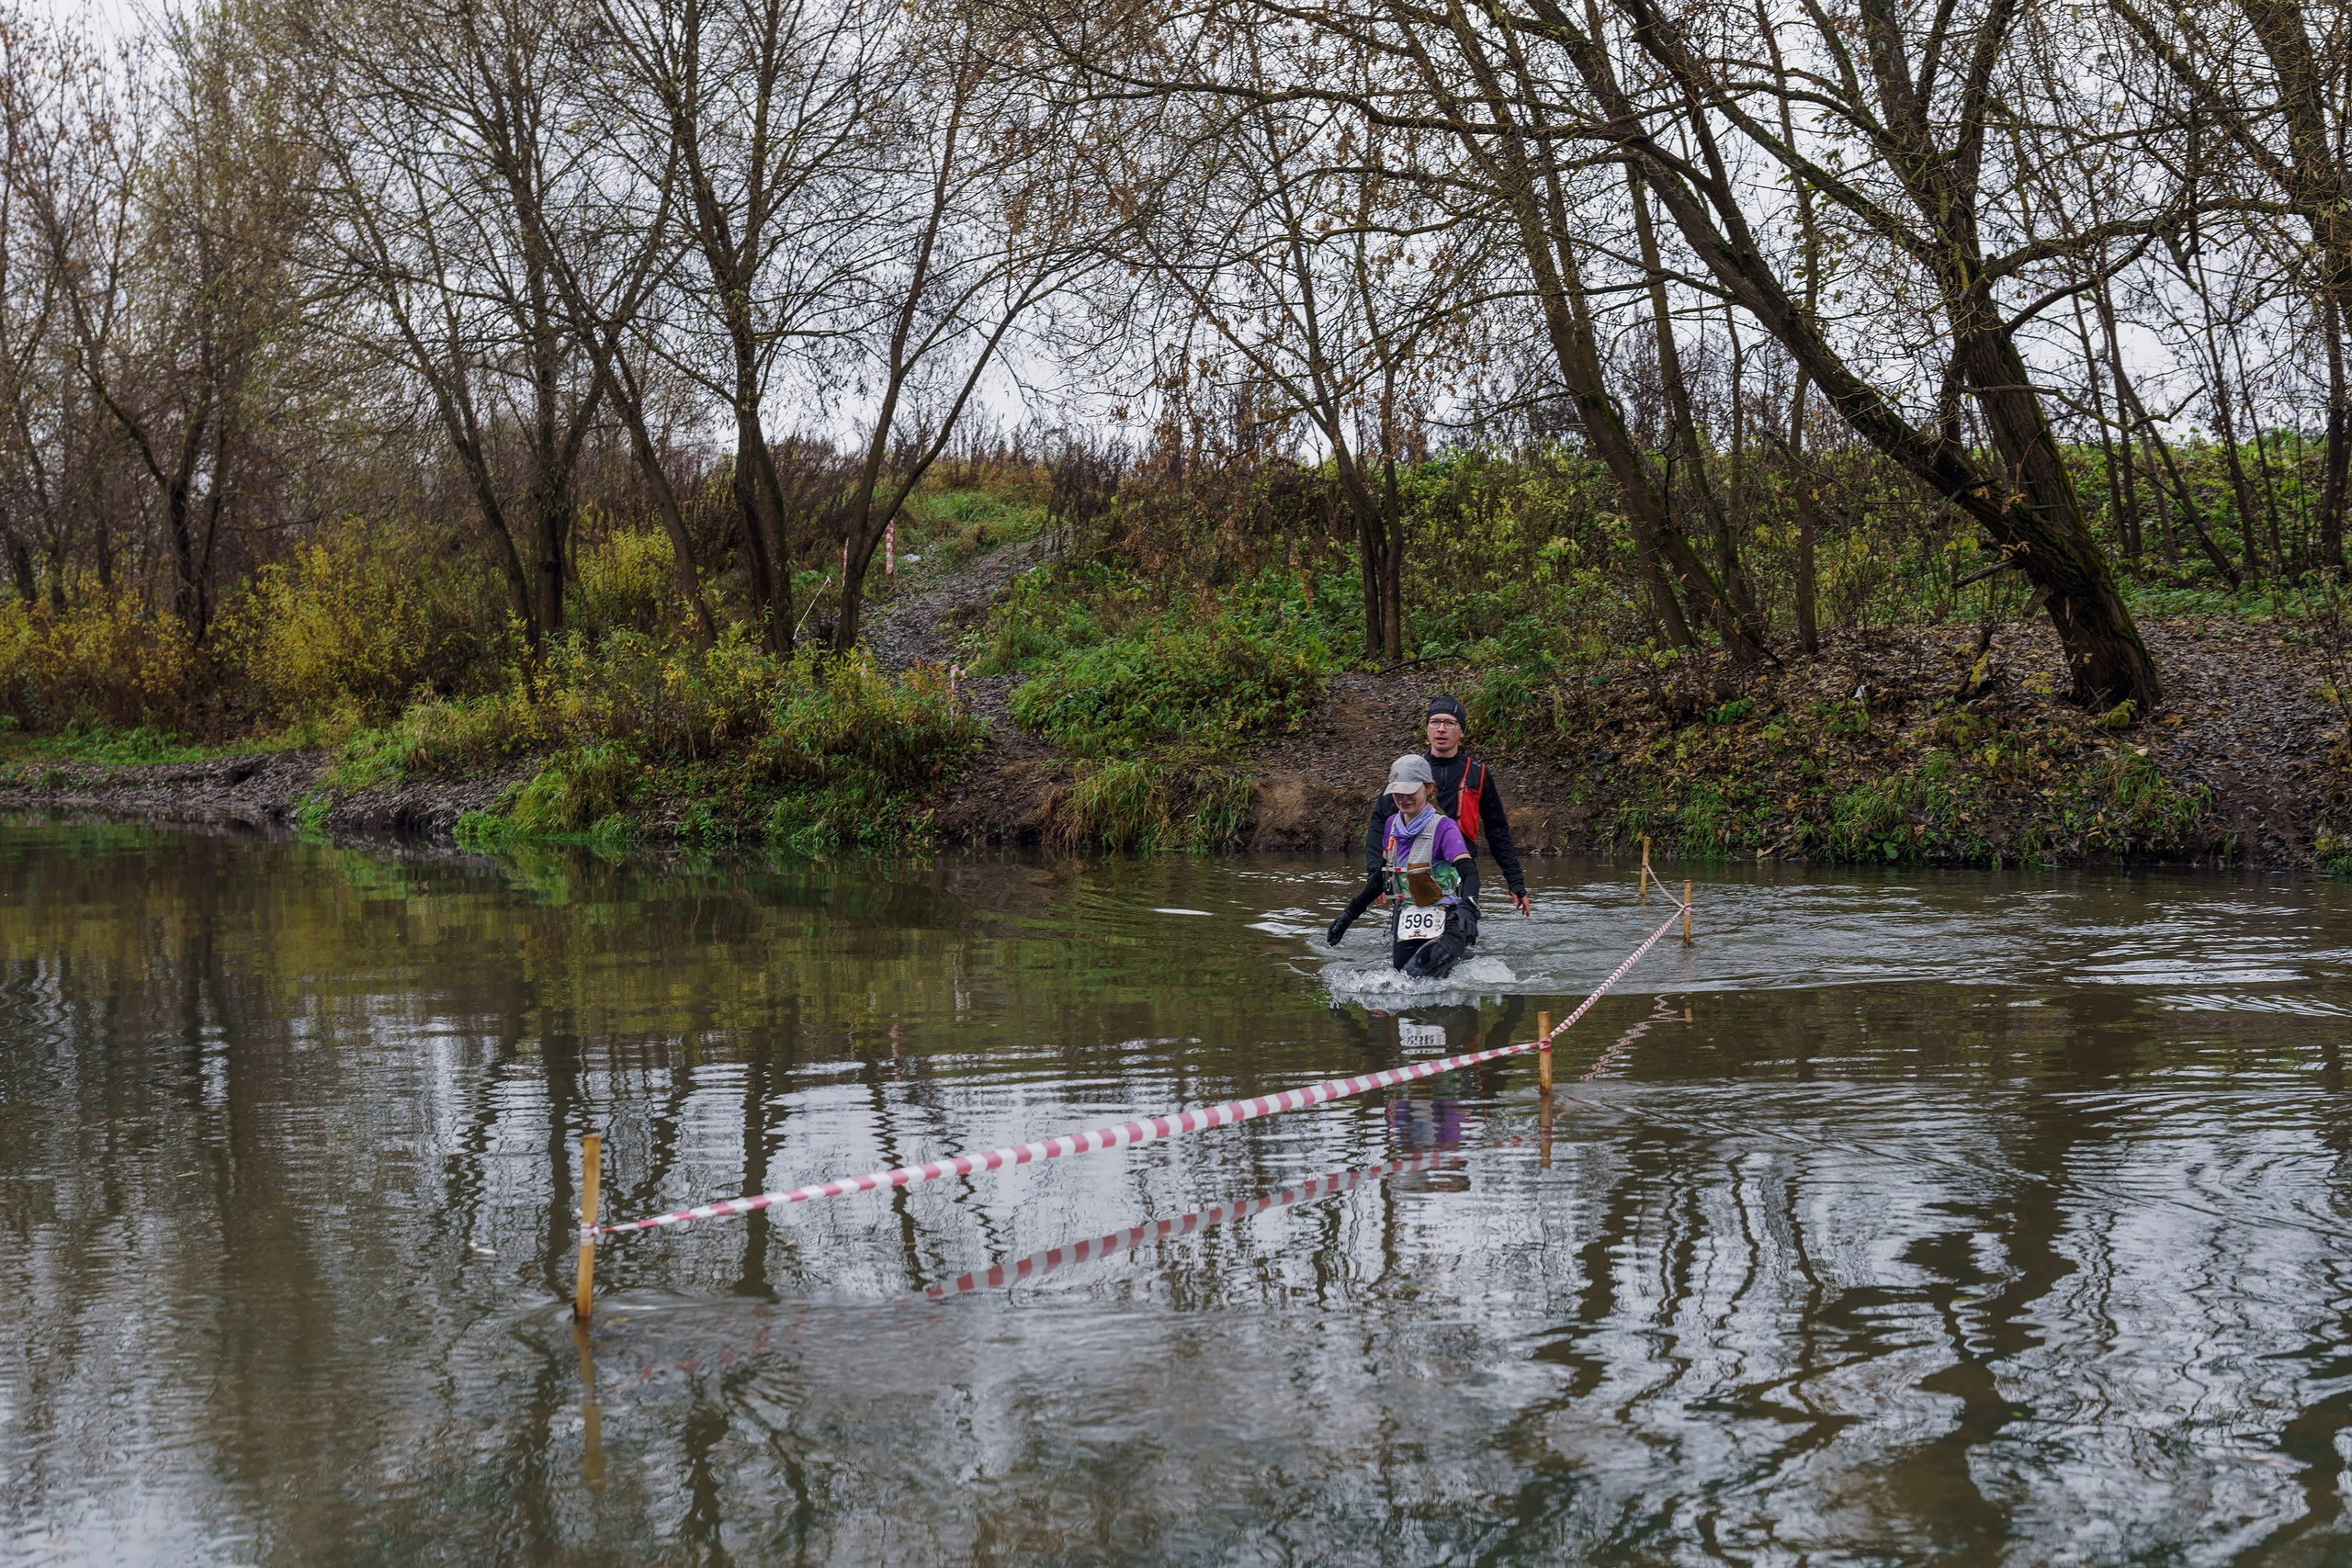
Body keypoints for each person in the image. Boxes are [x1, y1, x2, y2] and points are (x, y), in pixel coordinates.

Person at [1362, 695, 1531, 917]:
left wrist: (1515, 881)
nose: (1441, 729)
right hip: (1412, 873)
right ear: (1427, 729)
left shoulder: (1477, 773)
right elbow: (1378, 822)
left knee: (1462, 937)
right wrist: (1377, 875)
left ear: (1461, 731)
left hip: (1460, 874)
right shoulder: (1407, 771)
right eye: (1435, 722)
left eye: (1449, 723)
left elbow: (1497, 830)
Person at [1325, 754, 1482, 978]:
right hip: (1408, 917)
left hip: (1448, 922)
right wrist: (1350, 914)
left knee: (1411, 980)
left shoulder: (1444, 827)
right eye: (1397, 791)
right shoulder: (1392, 825)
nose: (1403, 797)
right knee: (1401, 980)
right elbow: (1382, 877)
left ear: (1428, 788)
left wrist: (1469, 906)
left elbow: (1469, 873)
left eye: (1410, 791)